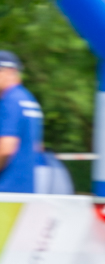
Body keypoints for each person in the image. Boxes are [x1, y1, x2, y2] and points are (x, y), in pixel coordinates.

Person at [0, 51, 43, 194]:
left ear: (9, 71)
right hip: (25, 190)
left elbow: (6, 149)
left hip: (5, 190)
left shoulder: (9, 101)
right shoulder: (28, 99)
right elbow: (38, 146)